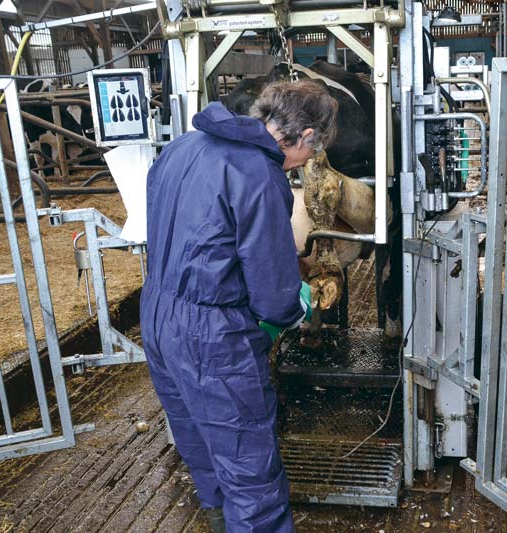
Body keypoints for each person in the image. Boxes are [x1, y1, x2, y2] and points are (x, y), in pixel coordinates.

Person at [140, 80, 337, 532]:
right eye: (314, 149)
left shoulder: (183, 146)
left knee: (199, 439)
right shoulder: (258, 175)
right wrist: (294, 306)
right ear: (305, 136)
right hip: (211, 334)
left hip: (157, 310)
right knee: (249, 466)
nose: (309, 160)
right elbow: (272, 292)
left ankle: (216, 519)